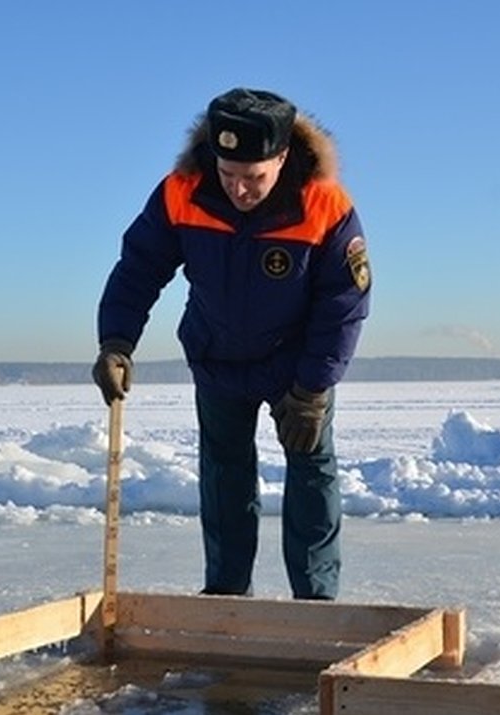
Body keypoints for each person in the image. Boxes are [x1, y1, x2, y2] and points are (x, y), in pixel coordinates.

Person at [92, 88, 371, 600]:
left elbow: (343, 305)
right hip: (218, 356)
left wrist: (312, 390)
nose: (239, 189)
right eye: (228, 175)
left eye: (254, 177)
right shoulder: (182, 191)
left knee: (311, 474)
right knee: (224, 478)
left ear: (282, 158)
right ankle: (224, 595)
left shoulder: (325, 204)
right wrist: (116, 341)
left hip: (297, 364)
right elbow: (138, 269)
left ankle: (316, 600)